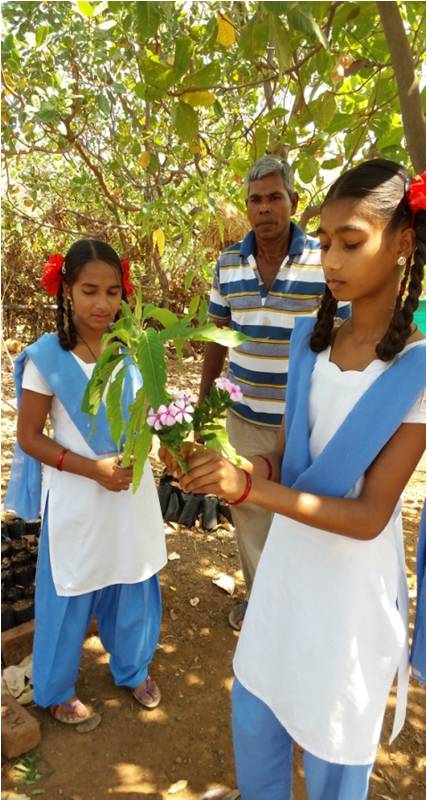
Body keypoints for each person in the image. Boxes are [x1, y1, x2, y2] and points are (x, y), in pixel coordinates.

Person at [162, 160, 426, 799]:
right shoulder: (312, 350)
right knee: (258, 709)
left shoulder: (415, 375)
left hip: (349, 591)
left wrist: (249, 489)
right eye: (328, 241)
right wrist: (223, 470)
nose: (331, 259)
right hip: (287, 569)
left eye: (351, 242)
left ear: (402, 244)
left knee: (335, 741)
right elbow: (282, 460)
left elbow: (368, 517)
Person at [5, 239, 167, 724]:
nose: (103, 304)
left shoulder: (134, 348)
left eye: (113, 292)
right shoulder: (46, 358)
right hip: (77, 491)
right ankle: (56, 688)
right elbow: (30, 437)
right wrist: (92, 470)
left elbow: (150, 411)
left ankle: (133, 667)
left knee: (134, 575)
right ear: (67, 291)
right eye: (90, 290)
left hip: (131, 489)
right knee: (70, 587)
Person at [200, 155, 350, 630]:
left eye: (273, 198)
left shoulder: (322, 261)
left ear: (293, 202)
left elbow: (343, 337)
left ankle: (300, 607)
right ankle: (261, 602)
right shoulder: (228, 262)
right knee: (249, 511)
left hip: (305, 421)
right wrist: (207, 405)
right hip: (243, 418)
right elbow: (215, 337)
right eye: (255, 199)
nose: (264, 208)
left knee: (302, 512)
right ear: (247, 207)